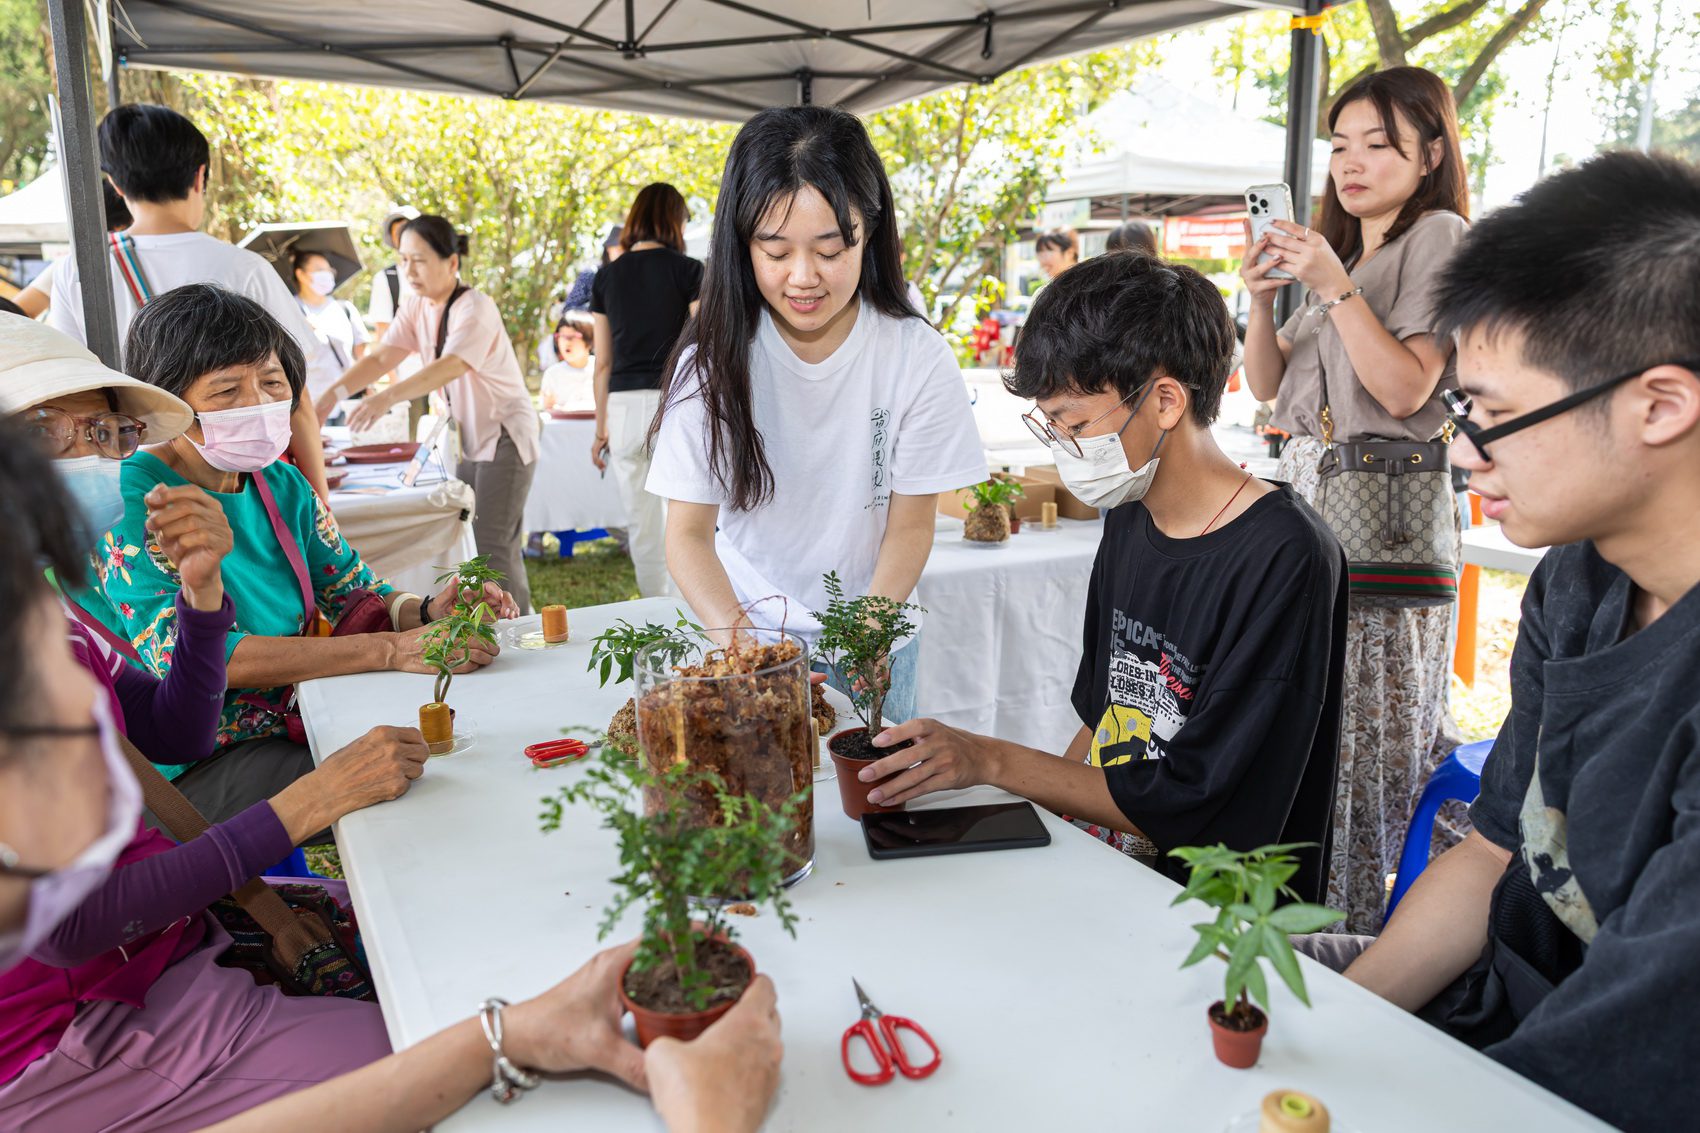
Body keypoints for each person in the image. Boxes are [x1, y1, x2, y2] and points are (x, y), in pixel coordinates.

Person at [0, 415, 784, 1133]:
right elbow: (74, 925)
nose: (100, 461)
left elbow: (174, 727)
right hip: (81, 1033)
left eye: (106, 432)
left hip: (169, 947)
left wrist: (204, 598)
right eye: (65, 432)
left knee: (445, 923)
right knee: (457, 1059)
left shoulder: (44, 612)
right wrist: (313, 798)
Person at [1294, 150, 1700, 1133]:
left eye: (1496, 415)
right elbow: (1488, 854)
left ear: (1660, 404)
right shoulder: (1578, 578)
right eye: (1463, 411)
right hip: (1490, 1004)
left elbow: (1617, 1057)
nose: (1465, 452)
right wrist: (1331, 1037)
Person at [851, 252, 1347, 899]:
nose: (1065, 446)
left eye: (1076, 423)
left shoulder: (1286, 556)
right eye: (1052, 426)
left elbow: (1199, 801)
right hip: (1115, 871)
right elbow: (1103, 722)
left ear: (1165, 400)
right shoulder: (1131, 516)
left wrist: (989, 759)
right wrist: (1038, 829)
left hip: (1217, 912)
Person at [67, 285, 517, 827]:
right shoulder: (132, 500)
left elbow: (354, 589)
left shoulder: (281, 484)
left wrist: (426, 611)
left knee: (468, 737)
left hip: (296, 719)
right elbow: (196, 658)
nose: (257, 404)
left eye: (272, 382)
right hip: (193, 763)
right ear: (168, 406)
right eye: (227, 390)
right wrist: (392, 649)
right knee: (427, 778)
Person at [647, 107, 983, 723]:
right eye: (775, 251)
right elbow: (687, 535)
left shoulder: (914, 355)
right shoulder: (712, 364)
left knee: (869, 782)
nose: (803, 278)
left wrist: (869, 635)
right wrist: (746, 649)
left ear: (868, 233)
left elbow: (911, 523)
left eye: (831, 250)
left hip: (876, 633)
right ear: (740, 243)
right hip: (746, 630)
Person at [1240, 65, 1471, 932]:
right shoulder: (1345, 259)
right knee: (1312, 719)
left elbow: (1407, 388)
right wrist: (1264, 299)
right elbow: (1267, 387)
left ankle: (1359, 929)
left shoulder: (1438, 236)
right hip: (1306, 505)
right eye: (1340, 145)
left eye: (1379, 144)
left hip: (1379, 514)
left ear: (1431, 154)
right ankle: (1305, 914)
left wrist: (1335, 285)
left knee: (1368, 730)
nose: (1352, 162)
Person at [46, 104, 333, 502]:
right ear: (199, 176)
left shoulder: (78, 270)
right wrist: (320, 501)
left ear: (115, 184)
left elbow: (70, 387)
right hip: (235, 483)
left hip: (129, 480)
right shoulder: (244, 267)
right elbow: (294, 397)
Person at [327, 216, 541, 613]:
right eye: (403, 260)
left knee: (494, 544)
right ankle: (488, 625)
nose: (409, 270)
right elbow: (382, 357)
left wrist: (386, 397)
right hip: (469, 436)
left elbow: (451, 365)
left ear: (452, 262)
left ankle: (518, 629)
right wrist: (329, 398)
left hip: (505, 434)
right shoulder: (416, 305)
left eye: (420, 260)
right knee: (473, 537)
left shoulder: (475, 307)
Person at [591, 185, 704, 598]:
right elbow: (704, 347)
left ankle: (654, 610)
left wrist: (600, 429)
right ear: (674, 221)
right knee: (687, 520)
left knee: (642, 523)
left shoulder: (606, 276)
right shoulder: (690, 271)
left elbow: (602, 362)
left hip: (622, 408)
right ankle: (687, 609)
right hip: (676, 402)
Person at [11, 182, 132, 320]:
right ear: (123, 224)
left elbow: (17, 312)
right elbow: (18, 312)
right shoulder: (76, 261)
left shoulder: (74, 262)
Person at [292, 251, 369, 372]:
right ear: (301, 274)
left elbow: (361, 352)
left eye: (329, 270)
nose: (327, 274)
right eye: (320, 270)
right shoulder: (289, 311)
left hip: (350, 382)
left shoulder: (344, 308)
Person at [541, 310, 596, 412]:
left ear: (589, 339)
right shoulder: (552, 374)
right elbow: (548, 409)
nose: (566, 342)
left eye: (572, 337)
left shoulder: (600, 368)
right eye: (562, 336)